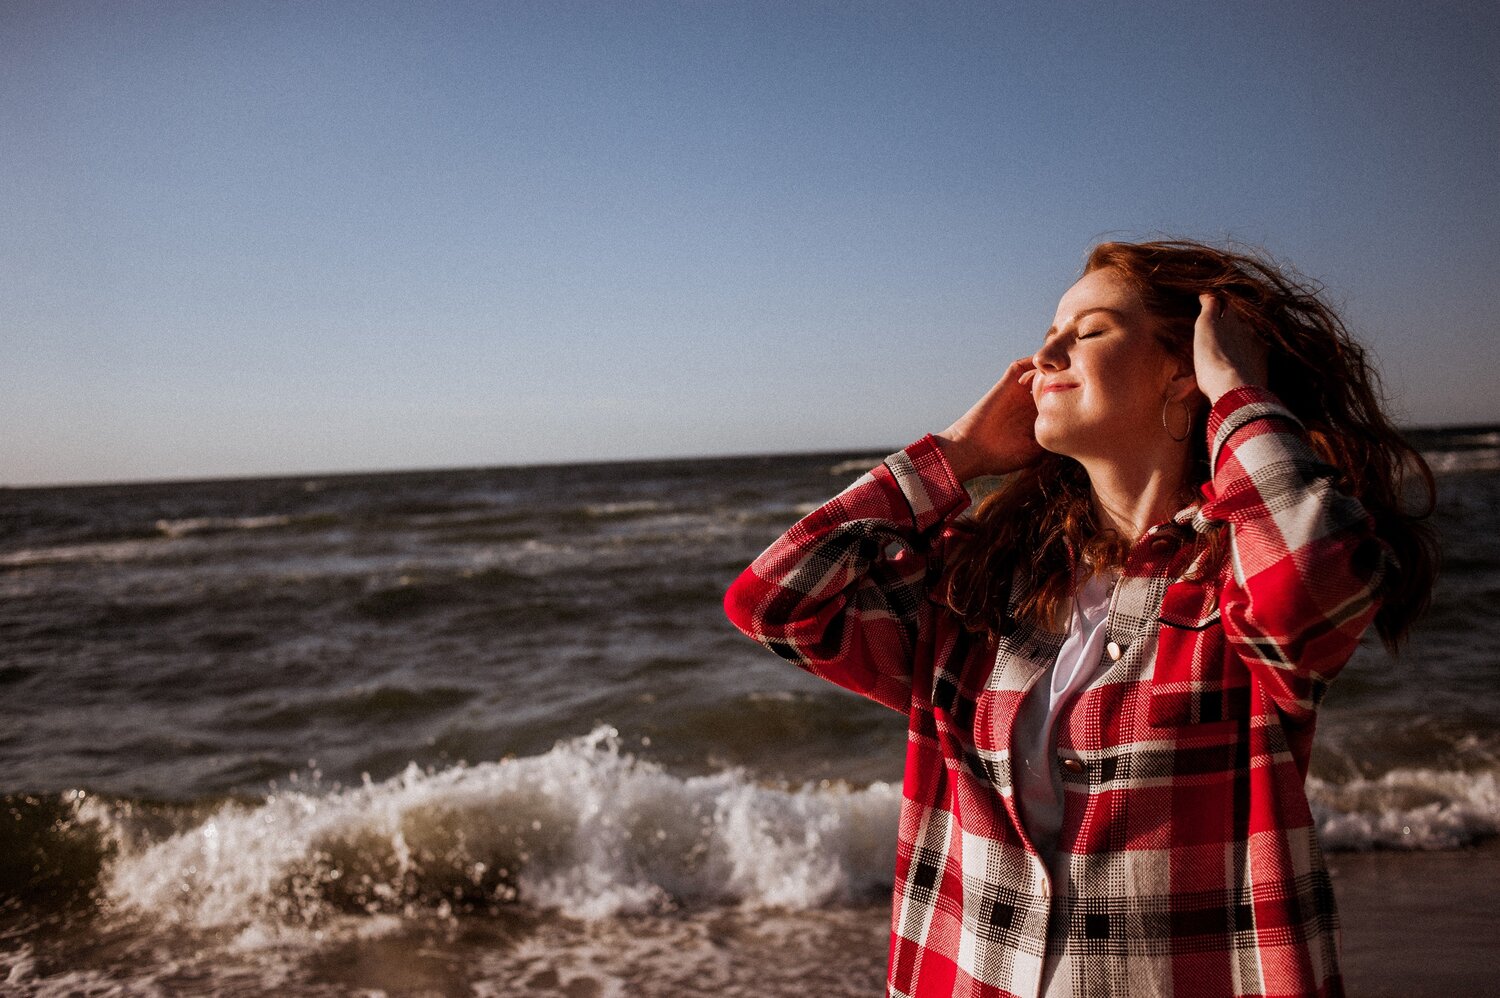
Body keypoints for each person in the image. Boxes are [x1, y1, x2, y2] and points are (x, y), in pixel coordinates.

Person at [723, 240, 1437, 998]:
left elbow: (1311, 585)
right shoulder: (984, 582)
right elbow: (774, 604)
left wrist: (1236, 389)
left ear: (1181, 369)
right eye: (1051, 331)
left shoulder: (1232, 574)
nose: (1046, 353)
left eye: (1089, 330)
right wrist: (957, 457)